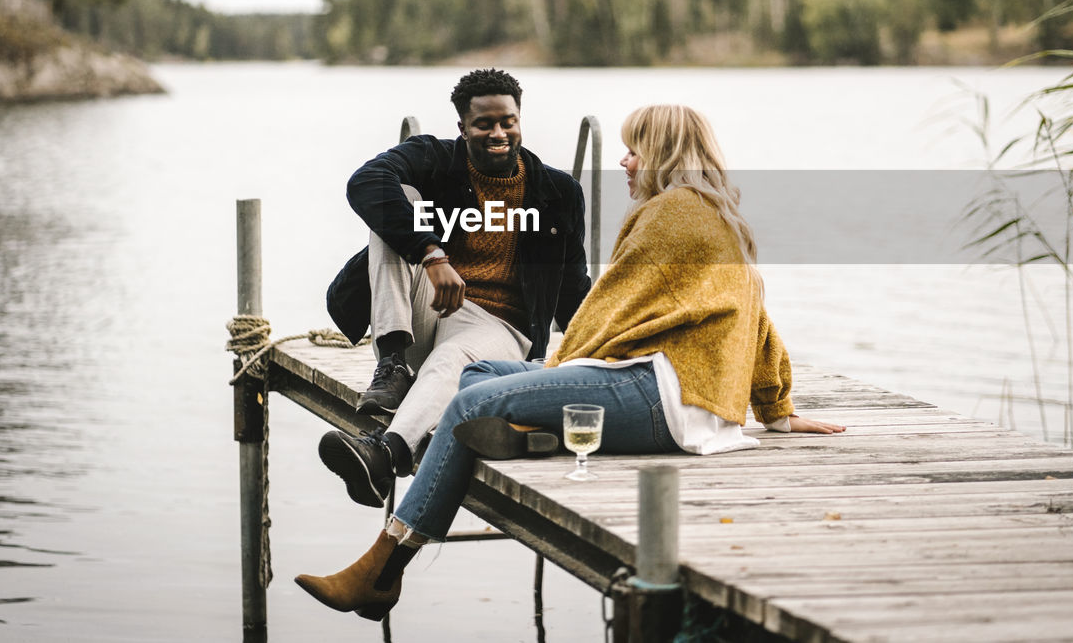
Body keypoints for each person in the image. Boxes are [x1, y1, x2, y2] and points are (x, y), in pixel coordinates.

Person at [296, 104, 845, 619]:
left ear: (666, 153)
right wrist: (775, 409)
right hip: (666, 389)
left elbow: (607, 309)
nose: (625, 161)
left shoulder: (671, 214)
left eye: (635, 150)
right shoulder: (717, 215)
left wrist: (558, 368)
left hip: (662, 395)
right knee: (483, 372)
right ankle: (529, 427)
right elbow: (758, 317)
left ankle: (385, 564)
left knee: (470, 401)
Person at [319, 68, 591, 507]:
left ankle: (383, 455)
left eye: (508, 121)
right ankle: (391, 365)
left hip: (501, 327)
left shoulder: (557, 192)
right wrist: (432, 254)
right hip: (425, 312)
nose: (498, 132)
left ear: (520, 119)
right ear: (463, 128)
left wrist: (605, 350)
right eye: (485, 124)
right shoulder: (434, 159)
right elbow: (364, 183)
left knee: (450, 361)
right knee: (394, 200)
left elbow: (573, 285)